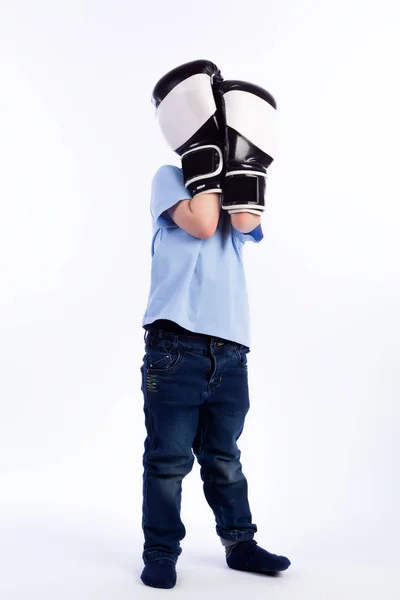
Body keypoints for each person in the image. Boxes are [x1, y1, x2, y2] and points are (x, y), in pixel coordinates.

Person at [139, 59, 291, 589]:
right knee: (168, 459)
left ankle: (239, 543)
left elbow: (246, 220)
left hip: (229, 349)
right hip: (173, 346)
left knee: (224, 457)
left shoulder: (232, 190)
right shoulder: (169, 179)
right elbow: (204, 225)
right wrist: (201, 147)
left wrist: (241, 155)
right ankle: (160, 551)